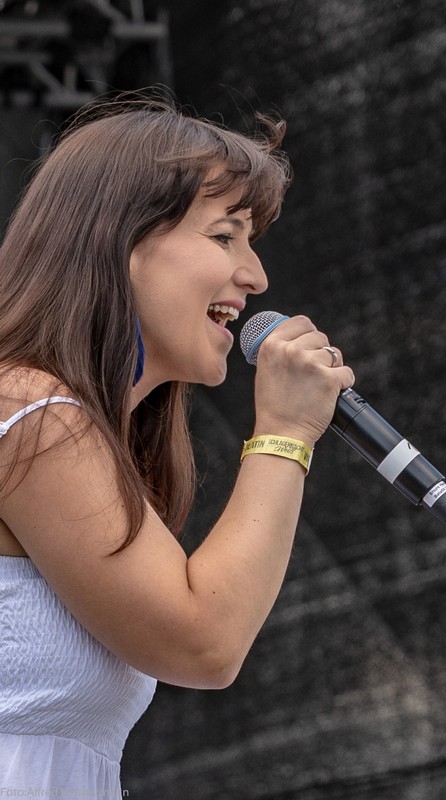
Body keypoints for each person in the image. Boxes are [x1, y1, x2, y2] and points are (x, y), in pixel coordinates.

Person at [0, 92, 354, 796]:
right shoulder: (28, 410)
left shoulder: (80, 431)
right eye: (224, 236)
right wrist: (284, 433)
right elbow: (204, 641)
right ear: (119, 242)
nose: (256, 276)